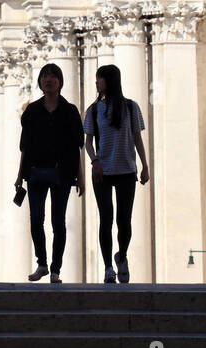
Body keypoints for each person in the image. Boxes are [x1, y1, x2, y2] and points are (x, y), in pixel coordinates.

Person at [16, 63, 85, 283]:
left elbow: (77, 147)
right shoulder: (32, 112)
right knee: (36, 219)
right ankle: (42, 264)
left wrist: (80, 177)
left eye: (53, 76)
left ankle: (56, 269)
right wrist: (19, 176)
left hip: (62, 173)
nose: (48, 79)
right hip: (35, 172)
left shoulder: (70, 111)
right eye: (45, 76)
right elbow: (24, 146)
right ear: (40, 81)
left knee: (58, 222)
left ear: (60, 81)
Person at [83, 64, 149, 284]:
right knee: (106, 219)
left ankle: (122, 255)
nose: (96, 83)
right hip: (102, 171)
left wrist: (145, 165)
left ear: (109, 81)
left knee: (124, 220)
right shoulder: (93, 110)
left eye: (99, 79)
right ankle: (108, 267)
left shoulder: (131, 107)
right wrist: (94, 162)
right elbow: (88, 143)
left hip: (126, 169)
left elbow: (137, 138)